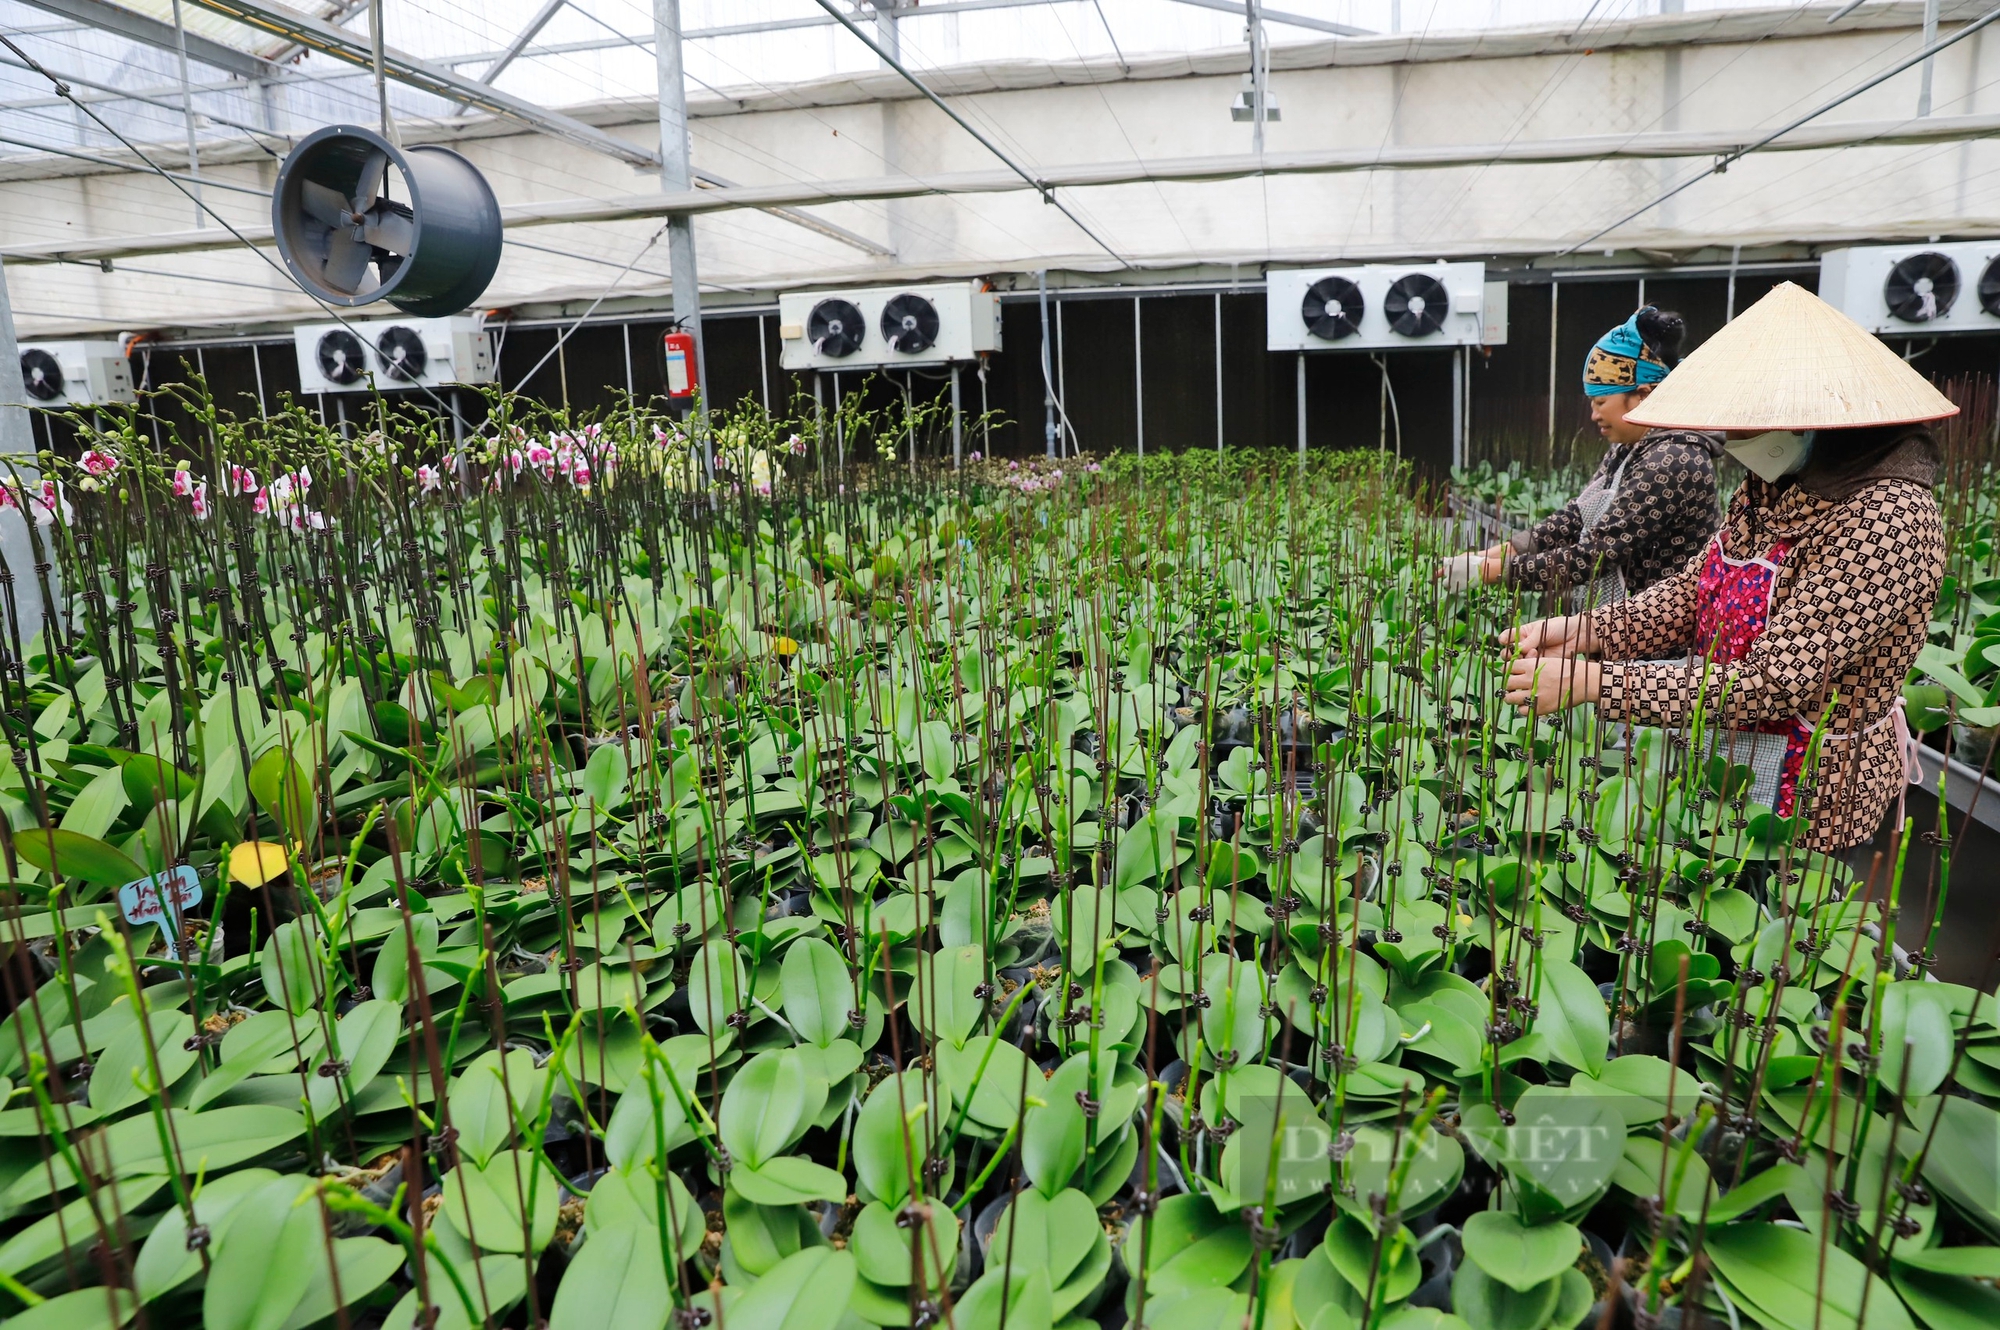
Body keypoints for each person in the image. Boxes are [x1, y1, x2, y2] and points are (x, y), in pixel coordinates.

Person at [1501, 282, 1952, 853]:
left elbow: (1772, 682)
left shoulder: (1890, 520)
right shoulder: (1771, 485)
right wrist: (1587, 631)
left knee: (1785, 927)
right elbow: (1696, 591)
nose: (1733, 438)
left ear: (1812, 417)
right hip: (1725, 759)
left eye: (1746, 421)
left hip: (1810, 793)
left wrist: (1596, 682)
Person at [1443, 307, 1724, 606]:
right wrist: (1499, 553)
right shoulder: (1631, 447)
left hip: (1668, 627)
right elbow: (1578, 516)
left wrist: (1488, 572)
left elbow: (1595, 554)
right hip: (1630, 619)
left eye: (1601, 401)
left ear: (1642, 394)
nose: (1593, 414)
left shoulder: (1674, 458)